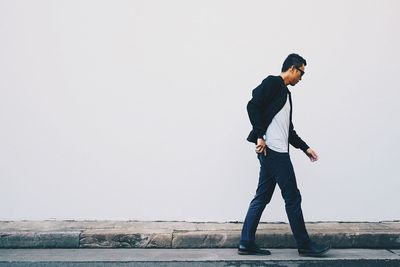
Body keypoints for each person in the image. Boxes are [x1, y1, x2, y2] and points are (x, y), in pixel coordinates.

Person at [238, 53, 330, 257]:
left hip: (274, 152)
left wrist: (305, 148)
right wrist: (260, 136)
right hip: (275, 152)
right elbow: (252, 105)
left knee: (261, 198)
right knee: (292, 197)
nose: (301, 78)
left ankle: (246, 242)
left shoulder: (286, 95)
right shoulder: (272, 83)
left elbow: (288, 130)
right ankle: (304, 245)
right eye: (302, 73)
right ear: (293, 69)